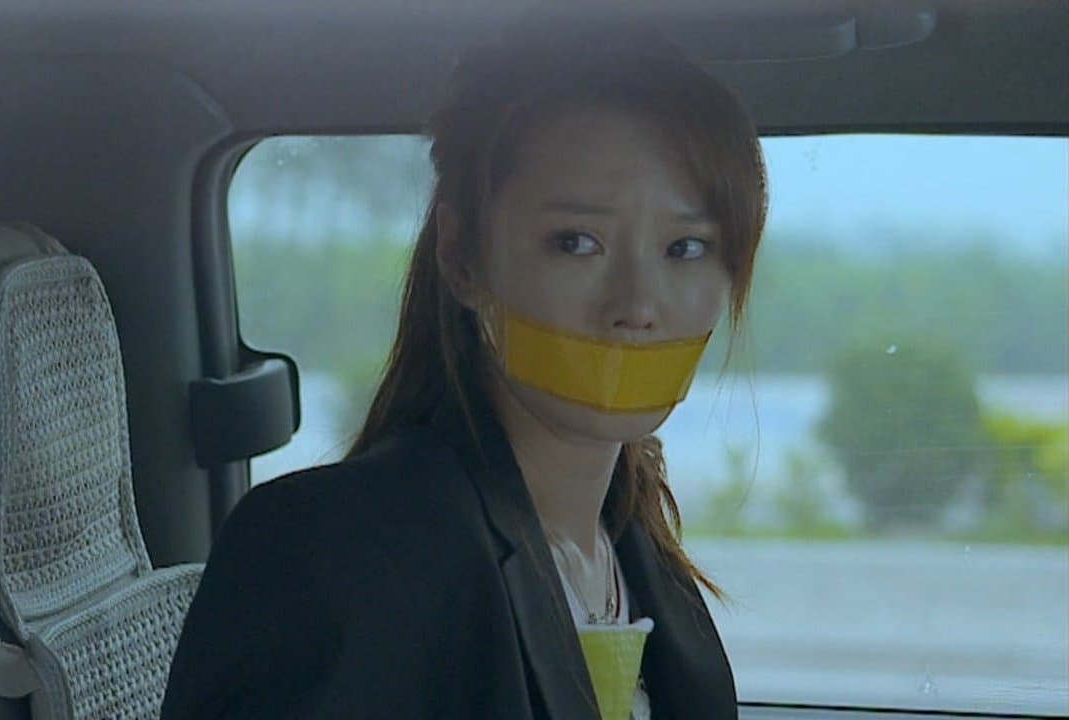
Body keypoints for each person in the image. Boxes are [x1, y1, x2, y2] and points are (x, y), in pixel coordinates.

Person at [163, 17, 766, 720]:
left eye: (686, 248)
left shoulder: (640, 557)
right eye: (575, 242)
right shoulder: (328, 554)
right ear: (461, 257)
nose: (636, 306)